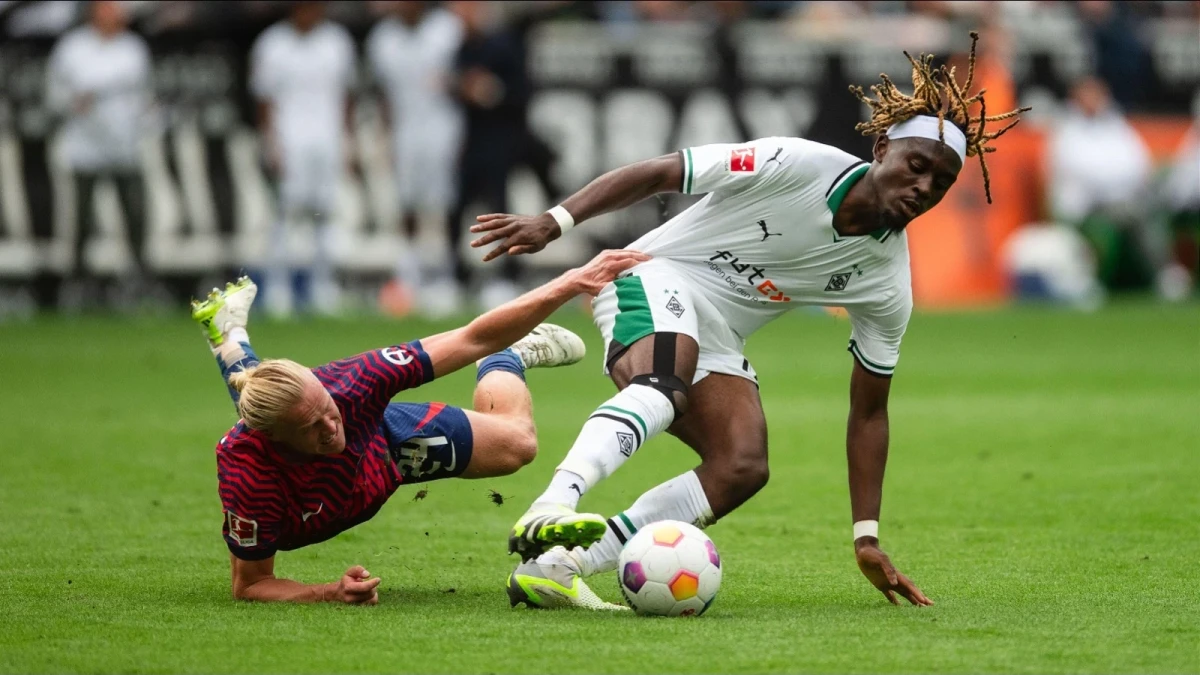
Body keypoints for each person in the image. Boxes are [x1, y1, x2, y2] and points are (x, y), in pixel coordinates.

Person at [469, 34, 1028, 609]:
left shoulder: (886, 282)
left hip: (715, 332)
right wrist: (555, 222)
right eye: (917, 167)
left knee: (742, 465)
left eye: (940, 184)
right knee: (665, 381)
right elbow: (663, 172)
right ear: (882, 146)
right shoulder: (797, 163)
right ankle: (553, 505)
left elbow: (869, 412)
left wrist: (867, 536)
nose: (923, 188)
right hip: (650, 276)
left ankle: (558, 566)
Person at [190, 249, 647, 604]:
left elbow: (471, 337)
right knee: (257, 399)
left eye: (327, 408)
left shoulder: (352, 385)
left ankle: (507, 359)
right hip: (300, 456)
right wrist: (326, 591)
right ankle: (229, 334)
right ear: (274, 439)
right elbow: (250, 586)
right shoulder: (247, 469)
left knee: (517, 444)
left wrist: (567, 284)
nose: (332, 426)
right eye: (313, 428)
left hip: (383, 444)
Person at [44, 0, 152, 311]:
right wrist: (72, 102)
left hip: (125, 148)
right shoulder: (72, 48)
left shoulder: (133, 48)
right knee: (82, 220)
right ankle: (78, 285)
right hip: (85, 149)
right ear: (94, 13)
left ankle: (139, 281)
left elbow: (145, 95)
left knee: (135, 217)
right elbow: (53, 94)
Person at [249, 1, 355, 316]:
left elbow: (346, 96)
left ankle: (321, 287)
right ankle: (278, 288)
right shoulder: (272, 44)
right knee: (285, 214)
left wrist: (347, 141)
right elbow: (264, 99)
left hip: (327, 140)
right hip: (289, 140)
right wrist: (271, 143)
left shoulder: (337, 42)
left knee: (323, 215)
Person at [366, 1, 466, 317]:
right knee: (408, 203)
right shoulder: (382, 38)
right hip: (404, 130)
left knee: (444, 203)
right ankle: (410, 274)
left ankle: (446, 275)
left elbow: (463, 76)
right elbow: (383, 93)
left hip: (444, 125)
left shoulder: (447, 29)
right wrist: (384, 135)